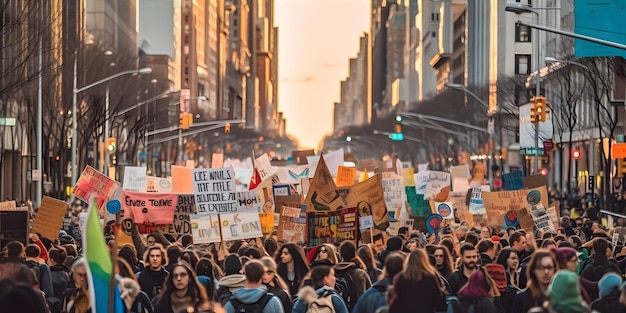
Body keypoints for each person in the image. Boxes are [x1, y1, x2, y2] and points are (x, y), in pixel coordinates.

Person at [334, 241, 372, 311]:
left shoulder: (335, 273)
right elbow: (370, 295)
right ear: (355, 252)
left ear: (341, 254)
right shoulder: (360, 273)